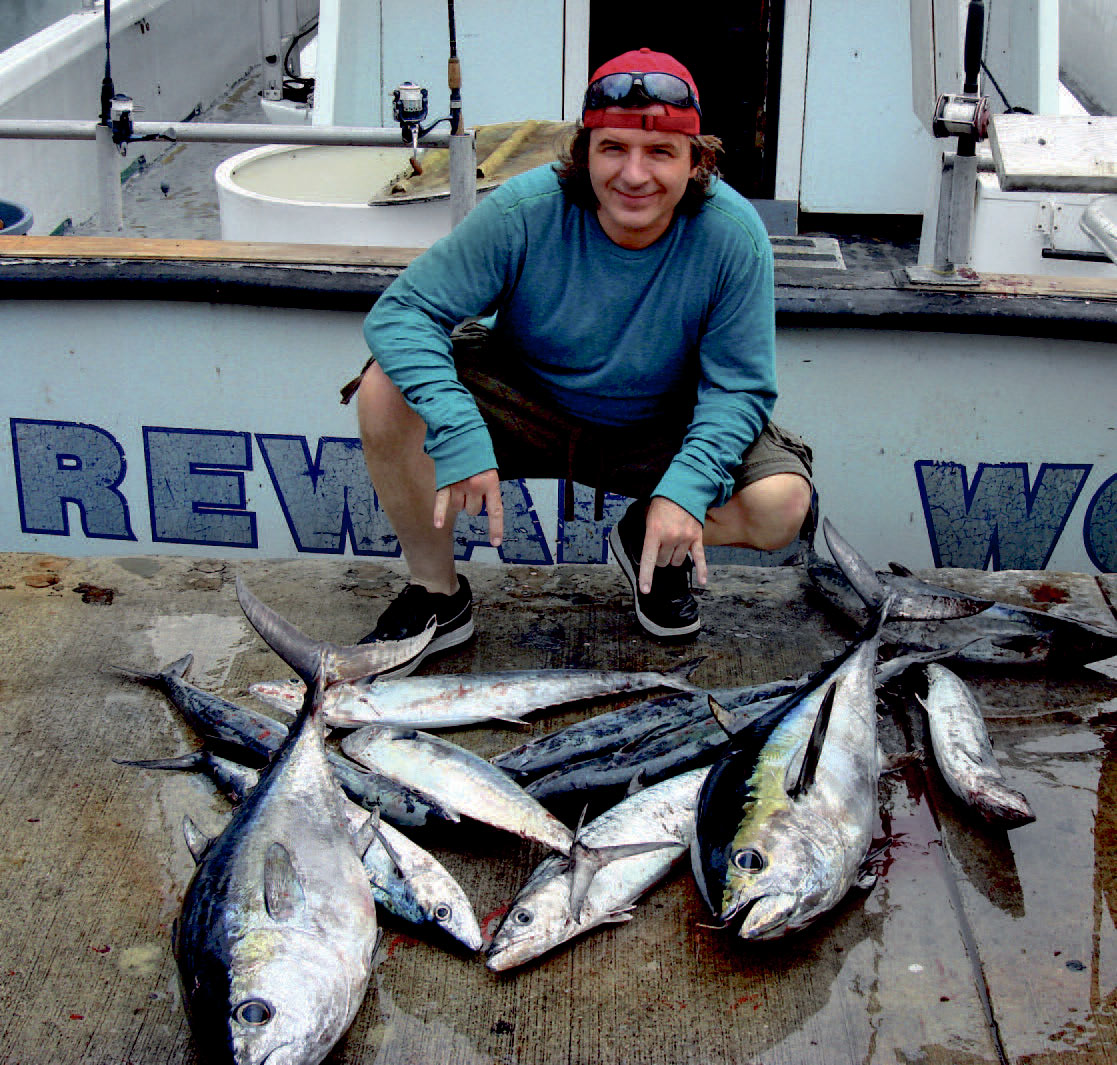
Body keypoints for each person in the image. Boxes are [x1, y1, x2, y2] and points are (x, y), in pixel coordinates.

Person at [342, 47, 814, 674]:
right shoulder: (523, 210)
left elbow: (741, 388)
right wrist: (456, 426)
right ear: (583, 152)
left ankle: (652, 538)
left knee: (781, 503)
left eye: (660, 153)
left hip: (661, 423)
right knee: (383, 390)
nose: (634, 175)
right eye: (613, 149)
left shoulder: (734, 234)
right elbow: (401, 314)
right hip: (527, 398)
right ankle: (438, 596)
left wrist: (686, 490)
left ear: (697, 162)